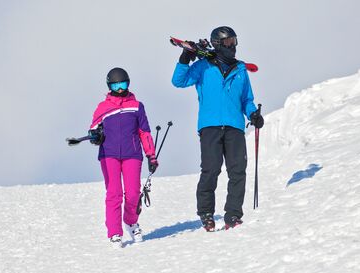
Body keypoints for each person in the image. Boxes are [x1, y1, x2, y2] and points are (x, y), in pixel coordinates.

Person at [171, 26, 264, 231]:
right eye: (229, 43)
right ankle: (206, 213)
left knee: (238, 171)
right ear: (218, 44)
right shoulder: (203, 66)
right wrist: (186, 56)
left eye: (234, 41)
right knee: (211, 170)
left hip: (234, 126)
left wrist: (253, 114)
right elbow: (178, 81)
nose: (233, 46)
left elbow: (247, 99)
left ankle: (233, 215)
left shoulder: (240, 69)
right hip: (210, 125)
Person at [89, 67, 158, 248]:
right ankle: (114, 233)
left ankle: (131, 221)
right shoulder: (102, 108)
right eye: (116, 85)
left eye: (123, 84)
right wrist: (95, 136)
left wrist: (151, 155)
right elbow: (94, 130)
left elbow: (144, 132)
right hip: (109, 155)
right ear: (109, 86)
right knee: (114, 193)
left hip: (132, 154)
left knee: (133, 193)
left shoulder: (136, 106)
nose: (120, 89)